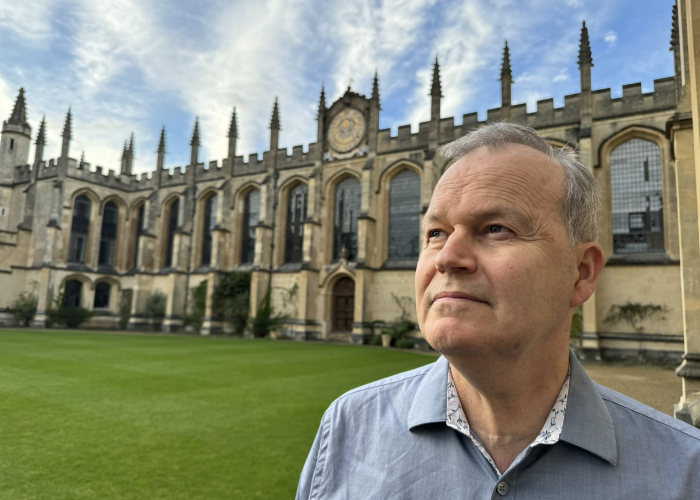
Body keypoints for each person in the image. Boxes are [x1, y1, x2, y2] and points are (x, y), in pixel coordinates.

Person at [295, 122, 700, 499]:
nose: (447, 257)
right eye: (436, 233)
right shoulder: (345, 428)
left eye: (495, 228)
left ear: (580, 273)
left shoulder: (685, 472)